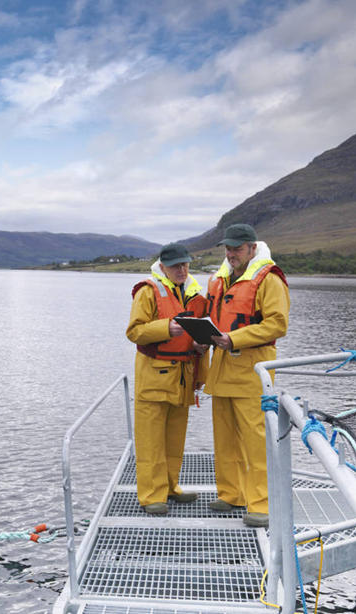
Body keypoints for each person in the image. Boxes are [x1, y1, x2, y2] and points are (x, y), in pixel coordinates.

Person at [204, 224, 289, 528]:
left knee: (256, 441)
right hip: (222, 370)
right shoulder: (221, 279)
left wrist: (235, 339)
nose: (231, 254)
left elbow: (277, 325)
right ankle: (231, 494)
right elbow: (215, 318)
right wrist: (204, 335)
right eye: (228, 248)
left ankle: (262, 504)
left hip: (252, 371)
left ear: (252, 248)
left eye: (237, 248)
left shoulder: (270, 279)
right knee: (224, 439)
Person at [126, 243, 209, 515]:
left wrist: (201, 348)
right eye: (175, 266)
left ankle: (171, 488)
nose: (181, 269)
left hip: (183, 379)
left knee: (175, 440)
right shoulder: (148, 292)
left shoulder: (195, 294)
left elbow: (199, 334)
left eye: (184, 264)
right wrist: (166, 328)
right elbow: (135, 332)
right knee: (150, 442)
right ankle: (152, 496)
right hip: (153, 379)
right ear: (162, 267)